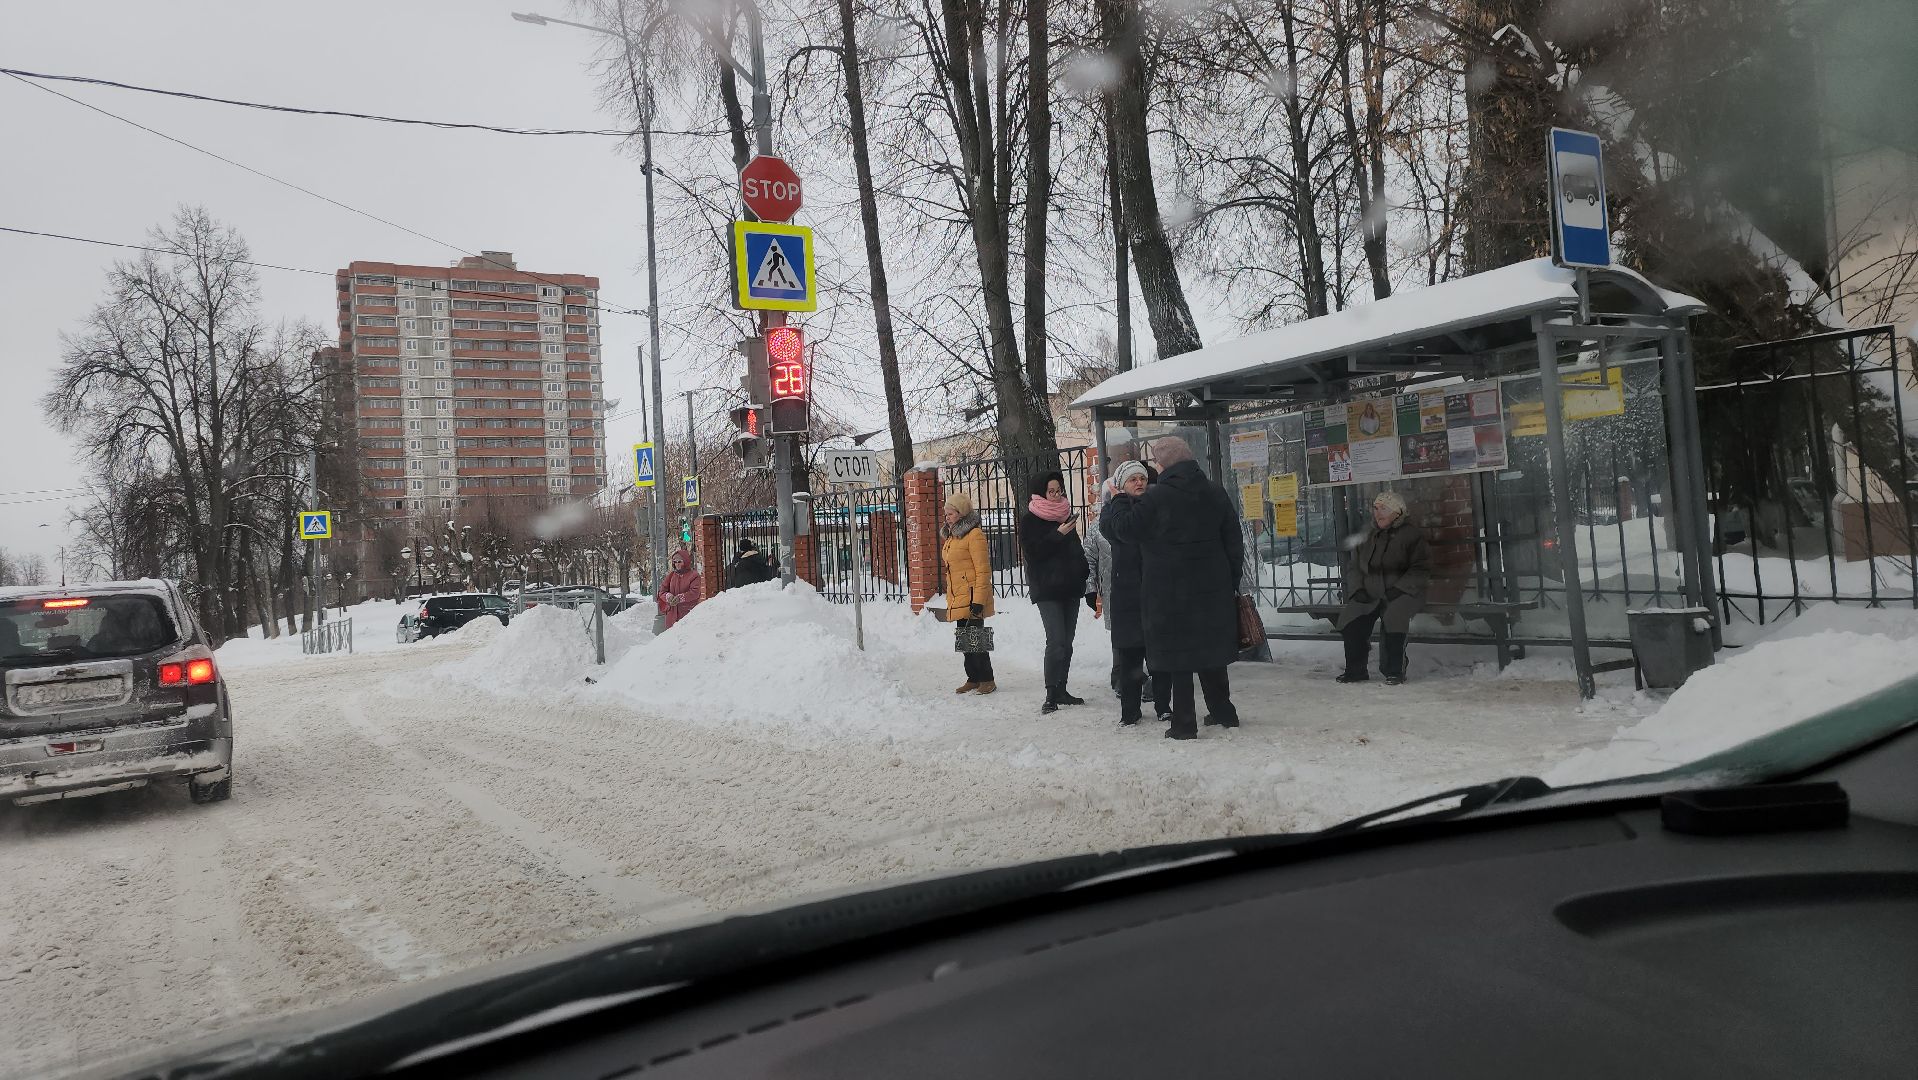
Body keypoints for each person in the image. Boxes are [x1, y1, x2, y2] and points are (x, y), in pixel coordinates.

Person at [1102, 436, 1243, 740]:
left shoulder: (1158, 498)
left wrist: (1116, 499)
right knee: (1211, 652)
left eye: (1156, 461)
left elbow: (1126, 529)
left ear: (1164, 463)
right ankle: (1223, 711)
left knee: (1180, 658)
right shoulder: (1214, 492)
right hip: (1212, 588)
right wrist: (1230, 579)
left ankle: (1184, 723)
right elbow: (1234, 539)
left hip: (1170, 591)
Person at [1099, 461, 1175, 726]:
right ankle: (1129, 711)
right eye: (1132, 479)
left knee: (1160, 655)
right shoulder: (1111, 510)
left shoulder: (1155, 506)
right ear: (1120, 485)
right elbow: (1118, 530)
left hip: (1155, 590)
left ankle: (1164, 705)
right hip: (1126, 593)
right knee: (1130, 656)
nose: (1139, 483)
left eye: (1142, 478)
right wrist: (1118, 500)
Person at [1336, 490, 1431, 685]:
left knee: (1394, 616)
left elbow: (1421, 568)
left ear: (1397, 512)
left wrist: (1401, 588)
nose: (1378, 513)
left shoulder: (1411, 534)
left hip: (1404, 592)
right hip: (1371, 592)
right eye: (1376, 508)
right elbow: (1354, 567)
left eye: (1384, 509)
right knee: (1352, 615)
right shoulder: (1368, 534)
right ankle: (1356, 670)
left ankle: (1394, 670)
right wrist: (1358, 590)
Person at [1019, 470, 1094, 714]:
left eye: (1058, 490)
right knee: (1057, 641)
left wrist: (1082, 570)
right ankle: (1050, 694)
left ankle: (1062, 689)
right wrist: (1057, 535)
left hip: (1070, 587)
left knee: (1068, 642)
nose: (1055, 495)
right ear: (1042, 492)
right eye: (1051, 491)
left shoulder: (1066, 516)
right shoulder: (1030, 520)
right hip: (1048, 589)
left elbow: (1076, 549)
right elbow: (1034, 554)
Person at [942, 492, 996, 695]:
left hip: (973, 595)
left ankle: (987, 679)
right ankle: (973, 678)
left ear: (962, 513)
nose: (947, 517)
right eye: (946, 513)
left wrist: (979, 600)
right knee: (964, 640)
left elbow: (983, 570)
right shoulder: (952, 536)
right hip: (958, 596)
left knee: (976, 638)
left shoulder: (974, 535)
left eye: (951, 513)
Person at [656, 547, 703, 630]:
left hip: (687, 614)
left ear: (685, 562)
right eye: (675, 562)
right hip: (671, 615)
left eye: (680, 562)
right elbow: (662, 591)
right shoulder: (671, 576)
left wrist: (679, 598)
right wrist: (668, 596)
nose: (677, 564)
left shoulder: (694, 576)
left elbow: (694, 593)